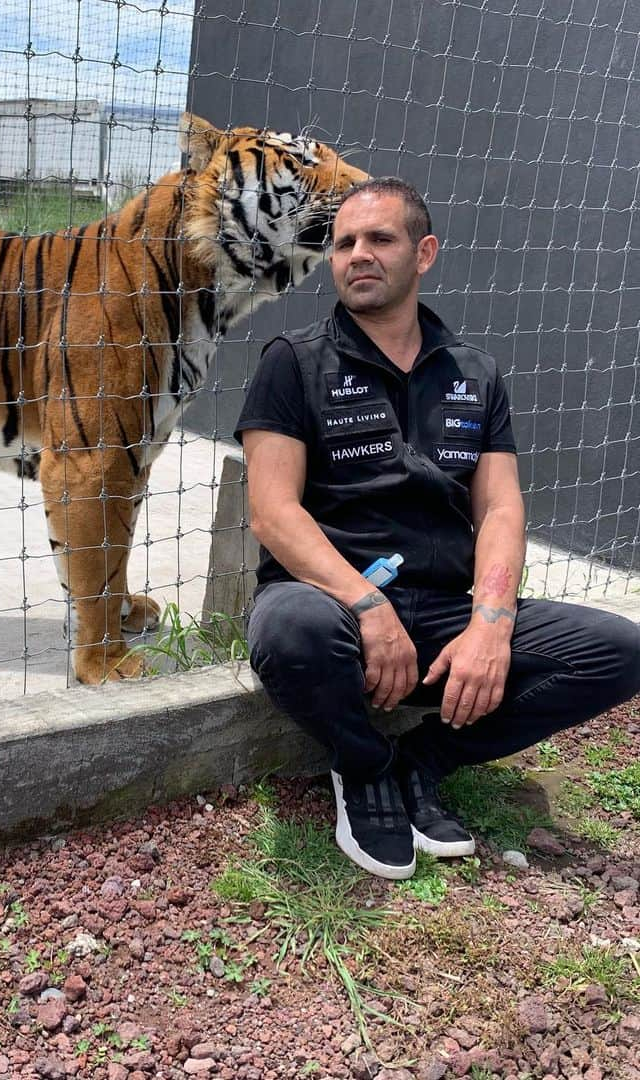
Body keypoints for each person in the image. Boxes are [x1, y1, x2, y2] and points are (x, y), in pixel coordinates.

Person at [234, 177, 640, 880]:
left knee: (618, 650)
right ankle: (363, 767)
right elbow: (272, 512)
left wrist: (491, 624)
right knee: (289, 631)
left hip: (446, 614)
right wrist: (366, 604)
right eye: (343, 244)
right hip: (333, 604)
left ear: (423, 253)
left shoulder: (475, 374)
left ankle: (422, 762)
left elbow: (501, 510)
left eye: (379, 239)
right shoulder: (293, 362)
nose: (358, 255)